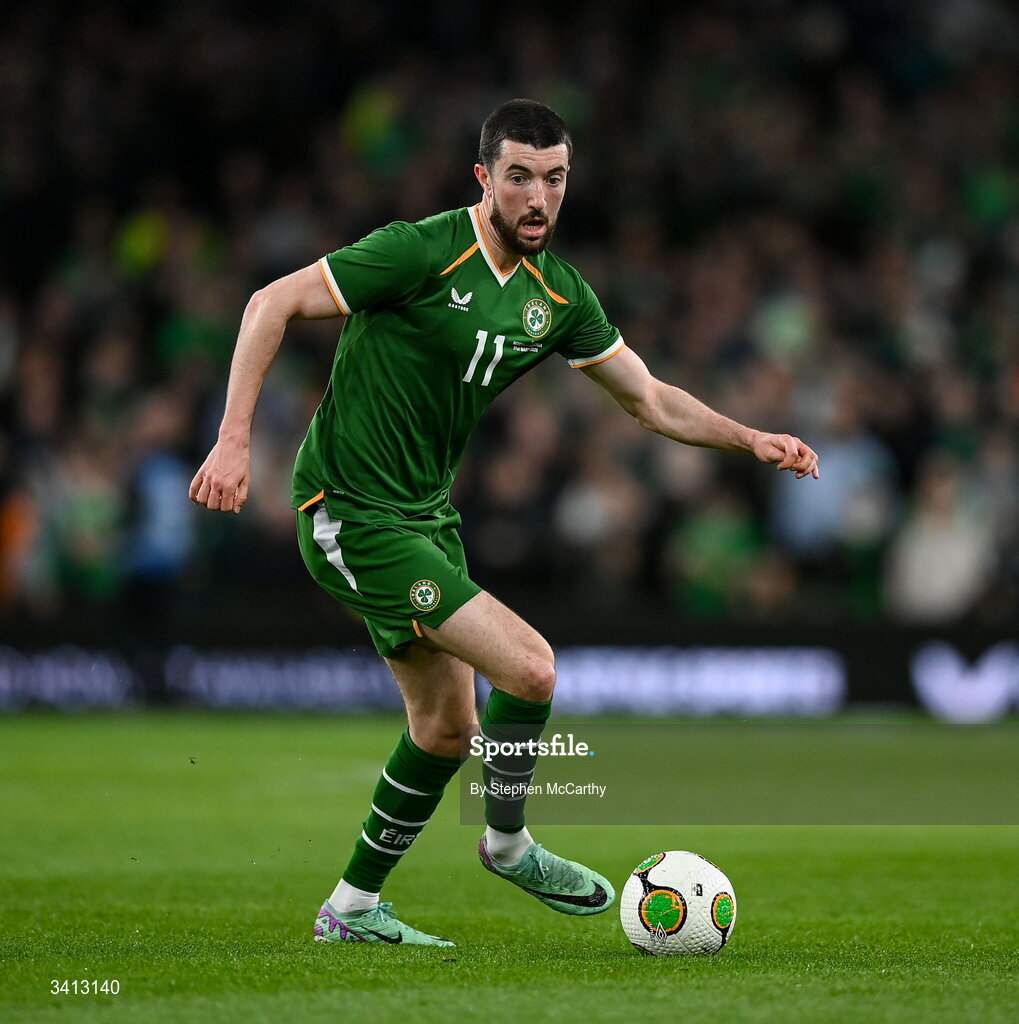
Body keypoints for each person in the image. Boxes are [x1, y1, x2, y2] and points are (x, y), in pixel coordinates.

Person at [189, 98, 820, 947]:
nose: (537, 197)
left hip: (423, 519)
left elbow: (649, 397)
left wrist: (751, 438)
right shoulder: (418, 250)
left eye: (553, 180)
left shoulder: (557, 294)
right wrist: (233, 445)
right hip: (348, 512)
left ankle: (349, 910)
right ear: (484, 178)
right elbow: (269, 302)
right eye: (518, 177)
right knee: (531, 669)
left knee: (445, 732)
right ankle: (508, 843)